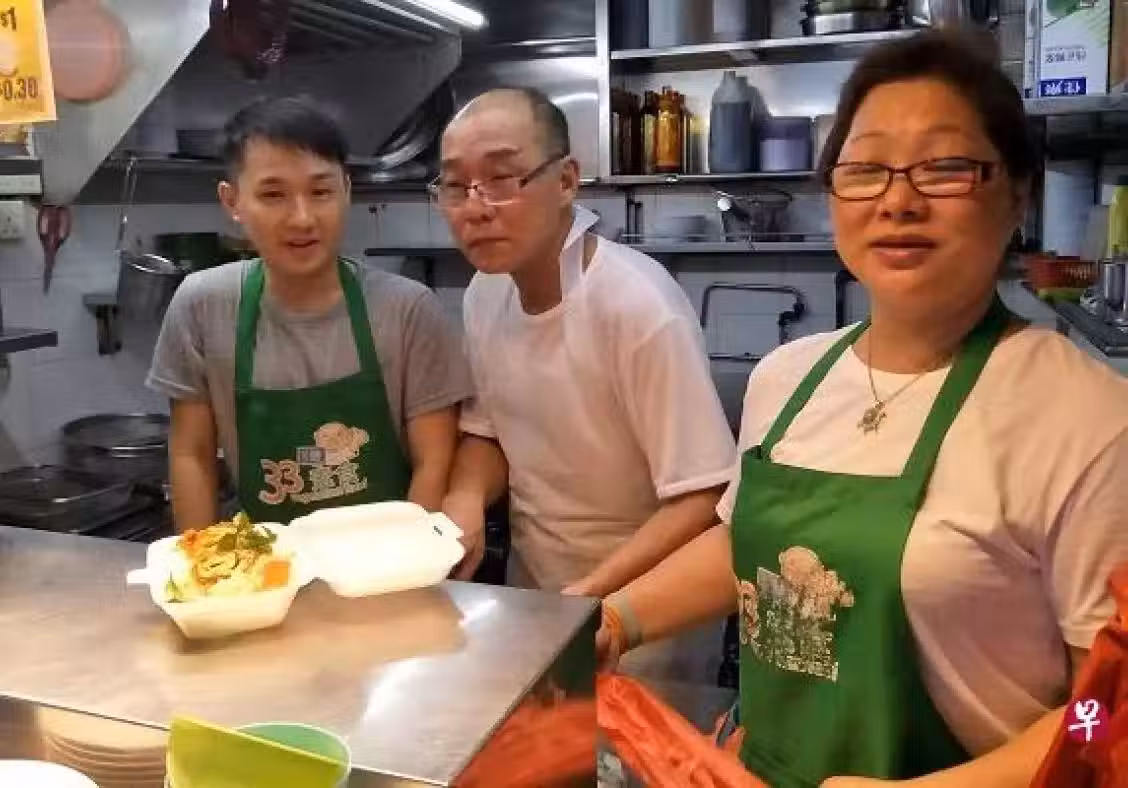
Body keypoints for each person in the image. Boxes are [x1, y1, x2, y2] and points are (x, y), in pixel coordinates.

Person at [597, 31, 1128, 788]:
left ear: (1018, 193)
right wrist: (616, 619)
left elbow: (1105, 711)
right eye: (865, 169)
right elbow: (749, 543)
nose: (898, 200)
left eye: (944, 168)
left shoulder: (1089, 419)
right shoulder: (787, 377)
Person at [435, 87, 736, 607]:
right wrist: (465, 497)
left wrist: (587, 599)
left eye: (502, 179)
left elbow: (704, 494)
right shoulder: (485, 293)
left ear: (566, 181)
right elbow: (488, 433)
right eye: (456, 186)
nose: (475, 209)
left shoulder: (636, 304)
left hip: (645, 603)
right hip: (536, 592)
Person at [147, 96, 473, 530]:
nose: (302, 218)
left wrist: (411, 558)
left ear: (347, 191)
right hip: (267, 563)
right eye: (273, 195)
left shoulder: (407, 310)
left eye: (320, 192)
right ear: (232, 201)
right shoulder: (202, 305)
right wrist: (203, 564)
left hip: (388, 558)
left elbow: (434, 464)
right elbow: (193, 454)